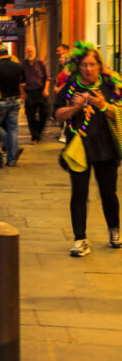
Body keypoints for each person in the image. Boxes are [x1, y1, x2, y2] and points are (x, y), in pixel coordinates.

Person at [53, 43, 122, 257]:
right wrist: (75, 107)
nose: (88, 69)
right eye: (84, 65)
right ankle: (80, 239)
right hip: (79, 148)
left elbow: (118, 113)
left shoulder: (111, 86)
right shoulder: (71, 87)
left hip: (106, 148)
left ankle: (114, 229)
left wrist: (103, 104)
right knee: (79, 194)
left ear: (99, 66)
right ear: (77, 66)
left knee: (108, 193)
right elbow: (57, 115)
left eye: (92, 64)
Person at [0, 44, 26, 166]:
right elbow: (23, 82)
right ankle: (11, 160)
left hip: (1, 101)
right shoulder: (18, 66)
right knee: (13, 129)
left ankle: (12, 148)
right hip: (16, 100)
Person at [21, 44, 50, 144]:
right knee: (30, 115)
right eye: (28, 51)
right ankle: (34, 136)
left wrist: (46, 89)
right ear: (26, 53)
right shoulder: (23, 64)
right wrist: (23, 93)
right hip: (29, 92)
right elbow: (21, 81)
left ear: (35, 52)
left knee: (45, 113)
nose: (29, 53)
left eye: (31, 51)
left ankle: (38, 132)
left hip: (40, 91)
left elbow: (47, 77)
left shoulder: (40, 63)